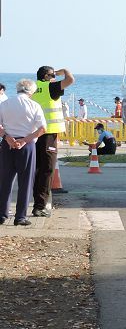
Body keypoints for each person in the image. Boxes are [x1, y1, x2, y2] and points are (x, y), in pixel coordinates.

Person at [0, 80, 47, 226]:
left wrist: (7, 137)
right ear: (31, 92)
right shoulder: (34, 105)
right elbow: (42, 129)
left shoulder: (5, 104)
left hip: (7, 143)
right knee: (25, 182)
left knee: (5, 181)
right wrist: (25, 140)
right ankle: (20, 217)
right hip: (26, 146)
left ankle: (2, 214)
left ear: (17, 89)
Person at [30, 66, 73, 218]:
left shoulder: (32, 88)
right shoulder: (51, 86)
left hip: (34, 134)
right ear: (47, 76)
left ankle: (37, 203)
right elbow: (70, 80)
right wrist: (64, 71)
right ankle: (39, 206)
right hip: (48, 134)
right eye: (53, 75)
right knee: (47, 169)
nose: (55, 77)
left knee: (36, 169)